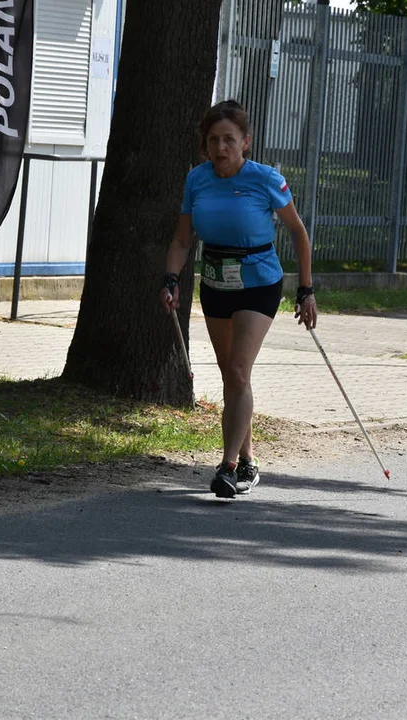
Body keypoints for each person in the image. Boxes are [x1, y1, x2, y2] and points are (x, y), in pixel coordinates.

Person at [160, 100, 317, 498]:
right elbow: (182, 239)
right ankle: (247, 460)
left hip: (259, 282)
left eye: (229, 139)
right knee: (231, 374)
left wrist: (306, 290)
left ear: (245, 142)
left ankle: (227, 467)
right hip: (215, 282)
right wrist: (171, 279)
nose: (221, 147)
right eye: (213, 140)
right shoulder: (196, 180)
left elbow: (298, 232)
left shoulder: (266, 179)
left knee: (239, 371)